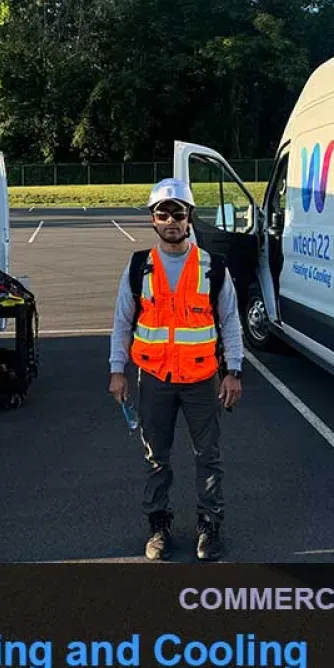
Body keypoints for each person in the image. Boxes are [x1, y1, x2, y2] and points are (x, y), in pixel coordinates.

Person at [109, 178, 244, 561]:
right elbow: (122, 322)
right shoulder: (139, 266)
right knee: (156, 457)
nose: (171, 220)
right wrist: (117, 370)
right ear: (153, 219)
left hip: (202, 380)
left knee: (208, 456)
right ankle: (158, 527)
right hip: (155, 380)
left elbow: (230, 321)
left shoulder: (212, 267)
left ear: (190, 218)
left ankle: (209, 527)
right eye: (163, 213)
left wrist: (233, 371)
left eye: (178, 213)